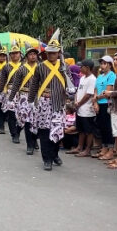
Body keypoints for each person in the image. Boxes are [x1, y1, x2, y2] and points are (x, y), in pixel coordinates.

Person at [27, 32, 68, 171]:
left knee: (57, 132)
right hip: (44, 103)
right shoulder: (40, 67)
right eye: (49, 53)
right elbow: (34, 85)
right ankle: (47, 159)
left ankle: (55, 154)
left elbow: (70, 85)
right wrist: (31, 101)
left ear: (59, 53)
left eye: (54, 53)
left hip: (59, 104)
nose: (51, 55)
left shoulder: (64, 67)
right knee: (44, 132)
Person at [8, 43, 40, 155]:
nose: (32, 56)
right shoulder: (21, 69)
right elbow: (16, 85)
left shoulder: (41, 68)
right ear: (26, 56)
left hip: (38, 97)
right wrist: (11, 98)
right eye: (30, 54)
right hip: (24, 97)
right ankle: (29, 145)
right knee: (27, 122)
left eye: (34, 54)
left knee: (37, 122)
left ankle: (34, 139)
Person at [69, 60, 97, 157]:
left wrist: (79, 103)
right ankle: (79, 147)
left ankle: (87, 149)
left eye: (82, 67)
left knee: (88, 130)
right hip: (80, 108)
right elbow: (78, 91)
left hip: (87, 109)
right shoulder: (82, 78)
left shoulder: (92, 79)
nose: (80, 69)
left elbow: (89, 94)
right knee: (80, 129)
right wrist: (76, 101)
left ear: (87, 68)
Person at [0, 41, 24, 143]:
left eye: (16, 53)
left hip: (23, 92)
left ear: (20, 54)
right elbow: (2, 80)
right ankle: (14, 134)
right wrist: (0, 92)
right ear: (10, 55)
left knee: (23, 116)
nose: (14, 55)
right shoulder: (6, 67)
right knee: (12, 115)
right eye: (12, 53)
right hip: (10, 92)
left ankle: (18, 131)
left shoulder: (25, 65)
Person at [93, 56, 116, 160]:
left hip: (107, 104)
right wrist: (95, 102)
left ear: (110, 65)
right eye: (101, 63)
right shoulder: (99, 76)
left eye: (104, 63)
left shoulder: (112, 76)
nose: (102, 65)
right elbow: (95, 90)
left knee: (107, 127)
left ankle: (111, 150)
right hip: (99, 103)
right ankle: (104, 147)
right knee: (101, 127)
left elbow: (108, 92)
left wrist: (97, 98)